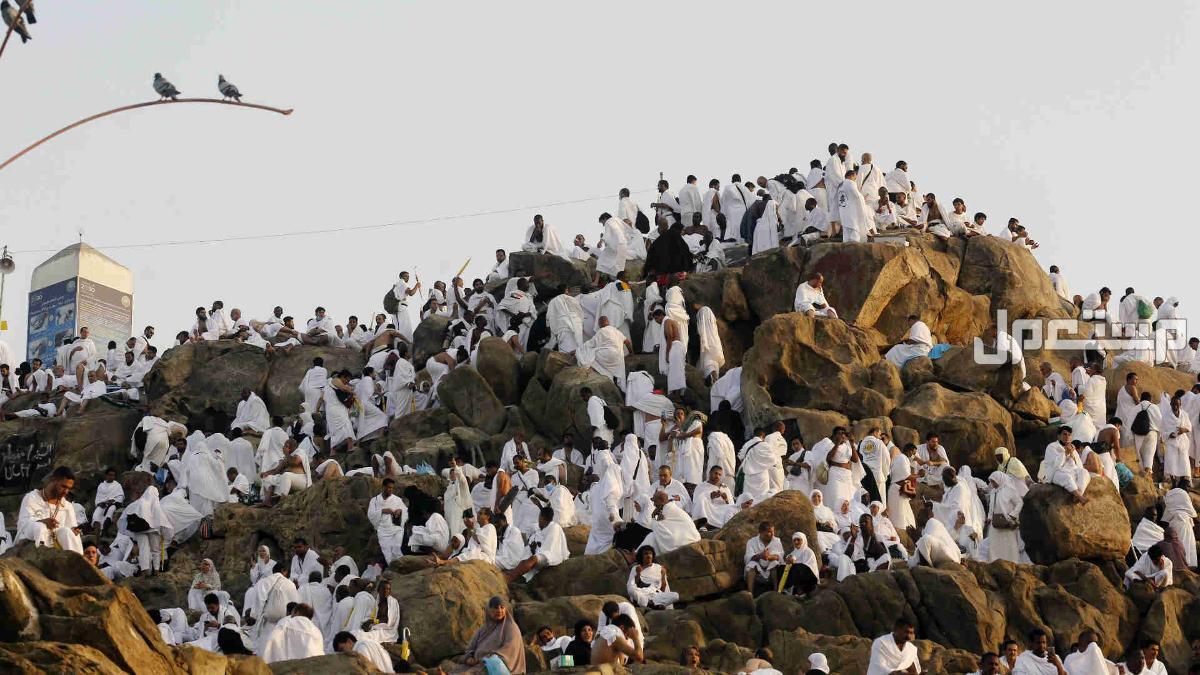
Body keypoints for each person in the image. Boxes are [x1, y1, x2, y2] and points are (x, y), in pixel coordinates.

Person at [16, 466, 83, 553]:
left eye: (69, 489)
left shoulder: (67, 506)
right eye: (63, 486)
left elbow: (71, 530)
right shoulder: (32, 498)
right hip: (34, 539)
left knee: (67, 532)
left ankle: (77, 563)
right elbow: (22, 524)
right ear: (53, 480)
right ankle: (39, 557)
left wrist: (74, 530)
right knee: (40, 526)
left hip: (57, 544)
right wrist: (42, 522)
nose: (66, 491)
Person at [459, 596, 525, 674]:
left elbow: (510, 650)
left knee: (491, 664)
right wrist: (469, 658)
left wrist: (486, 658)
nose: (499, 610)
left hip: (498, 664)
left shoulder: (511, 627)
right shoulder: (483, 629)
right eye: (495, 608)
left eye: (502, 607)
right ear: (488, 610)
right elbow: (470, 647)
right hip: (476, 663)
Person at [505, 506, 570, 583]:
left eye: (539, 517)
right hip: (539, 554)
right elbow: (529, 531)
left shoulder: (554, 527)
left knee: (532, 559)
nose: (538, 520)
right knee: (522, 561)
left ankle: (510, 578)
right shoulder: (541, 527)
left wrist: (536, 552)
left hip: (550, 555)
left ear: (542, 517)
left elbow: (550, 547)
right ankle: (514, 575)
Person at [122, 485, 174, 575]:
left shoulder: (137, 503)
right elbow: (162, 520)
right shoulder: (155, 504)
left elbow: (126, 515)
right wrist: (168, 535)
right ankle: (156, 571)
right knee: (155, 551)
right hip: (153, 530)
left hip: (139, 529)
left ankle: (145, 571)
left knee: (143, 550)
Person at [638, 489, 700, 554]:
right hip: (689, 537)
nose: (654, 504)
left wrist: (653, 516)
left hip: (686, 539)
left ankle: (638, 554)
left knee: (652, 536)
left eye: (655, 502)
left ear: (661, 501)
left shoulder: (667, 510)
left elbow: (658, 529)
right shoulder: (669, 507)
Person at [260, 603, 324, 663]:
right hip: (311, 665)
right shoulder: (316, 630)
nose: (291, 616)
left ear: (297, 612)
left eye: (292, 613)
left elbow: (273, 639)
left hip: (287, 666)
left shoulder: (287, 621)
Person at [368, 478, 407, 563]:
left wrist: (400, 511)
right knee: (387, 553)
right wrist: (383, 511)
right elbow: (370, 514)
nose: (390, 490)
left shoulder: (397, 499)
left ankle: (402, 567)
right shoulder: (374, 501)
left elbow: (405, 511)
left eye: (392, 488)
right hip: (383, 531)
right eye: (389, 487)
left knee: (397, 548)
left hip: (396, 529)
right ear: (383, 487)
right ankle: (393, 569)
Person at [626, 545, 678, 609]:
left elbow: (664, 589)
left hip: (655, 595)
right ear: (641, 556)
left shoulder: (659, 568)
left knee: (676, 596)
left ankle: (652, 604)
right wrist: (638, 574)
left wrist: (663, 576)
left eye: (650, 553)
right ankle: (650, 604)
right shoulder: (636, 568)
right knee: (631, 589)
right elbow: (632, 585)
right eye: (646, 553)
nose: (648, 556)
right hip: (642, 593)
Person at [743, 521, 784, 595]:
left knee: (774, 563)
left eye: (773, 531)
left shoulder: (777, 541)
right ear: (761, 532)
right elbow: (748, 557)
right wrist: (760, 556)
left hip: (771, 569)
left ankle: (776, 591)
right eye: (769, 532)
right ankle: (750, 593)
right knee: (751, 565)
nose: (772, 534)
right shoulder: (751, 542)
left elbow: (779, 556)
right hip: (758, 570)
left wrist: (768, 557)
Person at [91, 467, 124, 532]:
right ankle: (96, 527)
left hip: (113, 504)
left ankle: (104, 526)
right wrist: (100, 503)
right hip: (102, 504)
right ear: (106, 475)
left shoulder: (117, 485)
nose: (111, 477)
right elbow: (98, 497)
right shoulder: (101, 485)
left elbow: (120, 496)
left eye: (113, 475)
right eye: (110, 475)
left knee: (111, 510)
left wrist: (114, 501)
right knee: (97, 513)